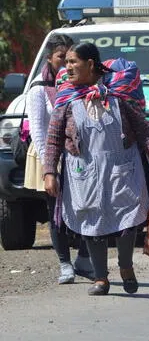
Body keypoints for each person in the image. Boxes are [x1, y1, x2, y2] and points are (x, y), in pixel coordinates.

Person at [43, 43, 149, 296]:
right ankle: (100, 278)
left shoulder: (118, 96)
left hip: (121, 167)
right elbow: (54, 138)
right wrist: (49, 172)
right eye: (65, 62)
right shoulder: (67, 98)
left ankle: (125, 266)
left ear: (90, 64)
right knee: (90, 221)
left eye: (73, 62)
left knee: (128, 218)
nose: (67, 68)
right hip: (82, 172)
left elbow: (142, 128)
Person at [25, 34, 94, 284]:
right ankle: (65, 263)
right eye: (60, 58)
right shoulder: (39, 88)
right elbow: (39, 131)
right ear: (50, 58)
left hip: (77, 157)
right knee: (55, 212)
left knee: (87, 207)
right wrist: (49, 167)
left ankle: (85, 259)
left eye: (70, 58)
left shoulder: (80, 84)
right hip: (49, 156)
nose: (66, 63)